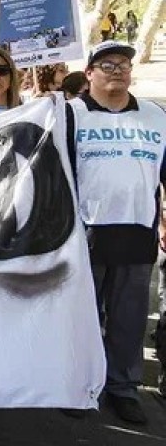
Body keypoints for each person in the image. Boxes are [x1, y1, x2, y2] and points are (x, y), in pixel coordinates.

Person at [66, 41, 166, 425]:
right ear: (89, 73)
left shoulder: (155, 116)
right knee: (83, 320)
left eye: (123, 64)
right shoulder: (71, 115)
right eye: (107, 65)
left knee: (129, 321)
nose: (117, 70)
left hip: (138, 235)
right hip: (84, 236)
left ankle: (123, 388)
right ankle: (80, 387)